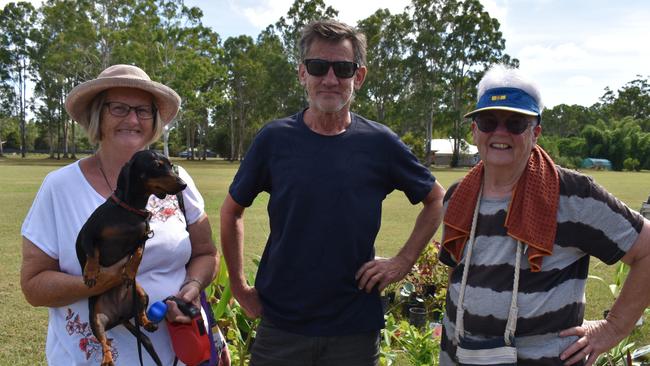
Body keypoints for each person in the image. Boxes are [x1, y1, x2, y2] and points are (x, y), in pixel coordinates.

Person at [220, 19, 446, 366]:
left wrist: (402, 262)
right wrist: (238, 286)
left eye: (342, 68)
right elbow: (231, 210)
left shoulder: (379, 143)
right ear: (302, 74)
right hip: (282, 326)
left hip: (353, 329)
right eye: (317, 66)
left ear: (359, 76)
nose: (329, 79)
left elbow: (435, 200)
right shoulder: (274, 139)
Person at [438, 64, 650, 366]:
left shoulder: (574, 195)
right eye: (488, 121)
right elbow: (457, 277)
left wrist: (613, 328)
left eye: (515, 123)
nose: (500, 132)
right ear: (474, 131)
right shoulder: (457, 196)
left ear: (535, 132)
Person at [20, 64, 229, 365]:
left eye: (143, 110)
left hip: (180, 353)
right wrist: (101, 282)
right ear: (97, 115)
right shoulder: (59, 187)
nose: (133, 119)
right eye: (119, 108)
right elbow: (33, 286)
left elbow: (206, 253)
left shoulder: (178, 180)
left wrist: (191, 290)